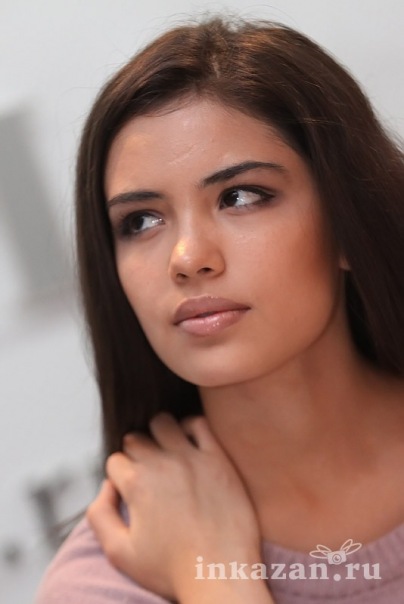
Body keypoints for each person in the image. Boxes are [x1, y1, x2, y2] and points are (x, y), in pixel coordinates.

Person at [34, 15, 404, 604]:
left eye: (240, 196)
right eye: (141, 221)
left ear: (345, 222)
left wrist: (212, 583)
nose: (187, 259)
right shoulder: (102, 585)